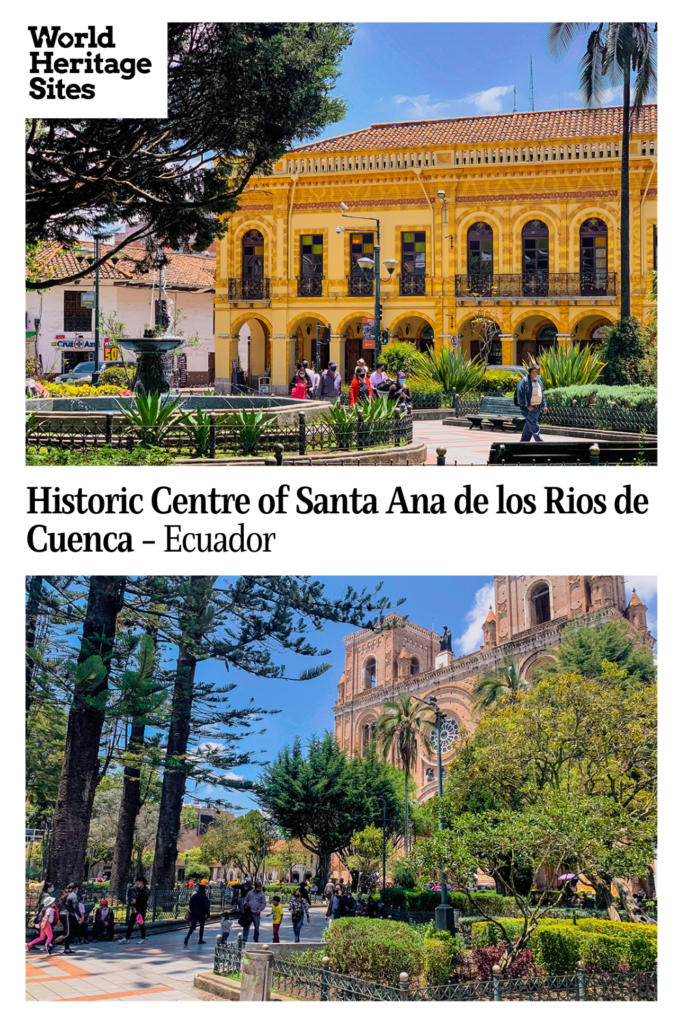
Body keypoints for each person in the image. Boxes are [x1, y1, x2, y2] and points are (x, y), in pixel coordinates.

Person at [516, 363, 547, 442]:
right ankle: (540, 442)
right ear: (533, 372)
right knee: (534, 425)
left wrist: (544, 405)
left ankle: (523, 443)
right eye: (538, 372)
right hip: (530, 409)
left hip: (537, 408)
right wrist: (527, 406)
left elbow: (542, 394)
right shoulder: (525, 382)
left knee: (528, 428)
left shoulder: (539, 381)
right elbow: (520, 395)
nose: (539, 374)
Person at [119, 876, 149, 945]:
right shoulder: (137, 890)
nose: (135, 883)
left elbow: (144, 899)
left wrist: (137, 901)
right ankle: (126, 938)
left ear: (141, 882)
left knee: (141, 924)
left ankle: (143, 938)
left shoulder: (145, 890)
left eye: (137, 881)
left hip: (141, 910)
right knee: (130, 923)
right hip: (135, 909)